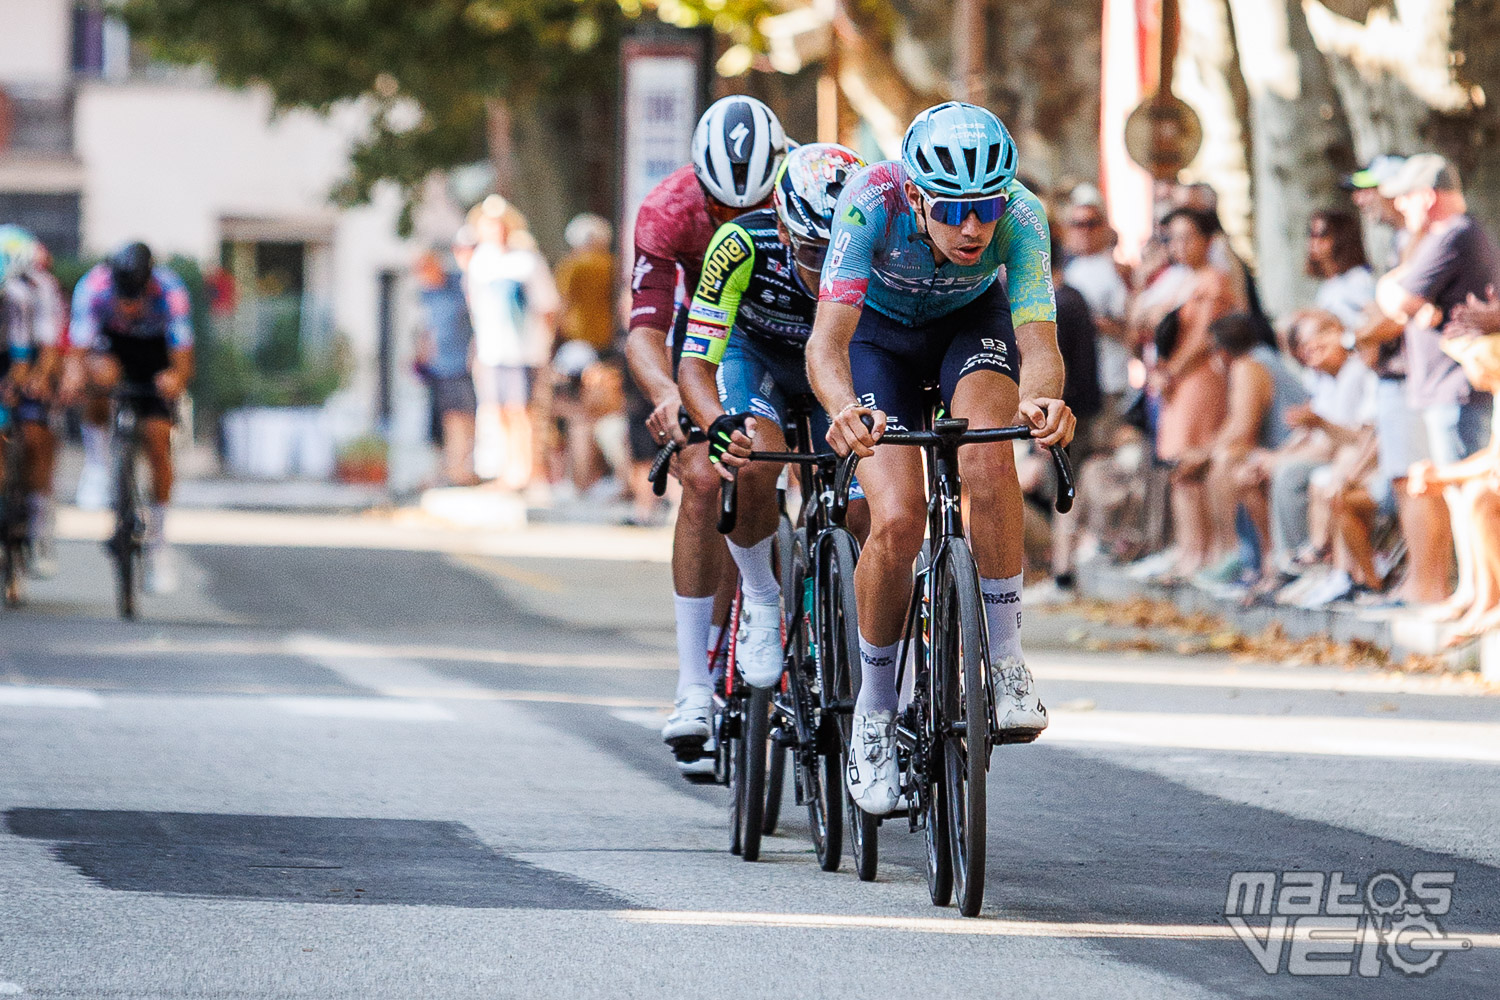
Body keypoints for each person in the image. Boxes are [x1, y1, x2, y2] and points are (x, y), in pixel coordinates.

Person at [807, 102, 1074, 814]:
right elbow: (827, 343)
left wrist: (1042, 401)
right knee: (895, 519)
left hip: (968, 327)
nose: (972, 228)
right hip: (876, 340)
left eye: (984, 207)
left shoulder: (1020, 216)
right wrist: (842, 410)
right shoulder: (870, 203)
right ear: (917, 195)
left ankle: (1008, 660)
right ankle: (873, 712)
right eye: (953, 209)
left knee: (989, 457)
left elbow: (1039, 343)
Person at [621, 95, 788, 770]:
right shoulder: (668, 210)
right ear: (699, 187)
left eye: (753, 207)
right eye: (722, 210)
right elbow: (646, 331)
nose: (736, 224)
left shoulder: (811, 187)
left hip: (794, 332)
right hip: (709, 346)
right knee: (701, 475)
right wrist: (665, 394)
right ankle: (695, 685)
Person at [676, 143, 867, 696]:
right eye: (812, 251)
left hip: (839, 365)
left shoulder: (878, 242)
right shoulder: (739, 244)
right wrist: (716, 423)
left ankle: (848, 620)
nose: (826, 270)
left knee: (861, 505)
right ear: (783, 230)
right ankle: (760, 597)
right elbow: (694, 364)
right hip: (756, 360)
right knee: (753, 458)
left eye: (840, 255)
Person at [1375, 154, 1500, 617]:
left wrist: (1397, 289)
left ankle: (1480, 593)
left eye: (1406, 199)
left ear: (1426, 196)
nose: (1401, 210)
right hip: (1445, 381)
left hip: (1457, 382)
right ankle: (1471, 590)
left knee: (1468, 489)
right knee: (1458, 493)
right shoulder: (1449, 235)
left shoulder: (1454, 233)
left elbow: (1402, 300)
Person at [71, 242, 194, 593]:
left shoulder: (171, 291)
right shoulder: (94, 287)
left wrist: (175, 379)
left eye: (135, 295)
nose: (128, 304)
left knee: (158, 439)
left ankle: (159, 542)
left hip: (156, 356)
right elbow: (79, 349)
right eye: (123, 295)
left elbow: (184, 358)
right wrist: (75, 378)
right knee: (98, 379)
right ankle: (97, 464)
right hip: (113, 350)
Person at [1175, 313, 1310, 587]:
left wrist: (1205, 454)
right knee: (1198, 467)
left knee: (1226, 463)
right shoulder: (1257, 359)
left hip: (1292, 449)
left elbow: (1242, 428)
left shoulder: (1248, 365)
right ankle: (1202, 552)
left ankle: (1242, 554)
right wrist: (1202, 452)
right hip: (1285, 448)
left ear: (1222, 351)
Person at [1153, 207, 1237, 580]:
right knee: (1178, 468)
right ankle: (1189, 548)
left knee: (1192, 462)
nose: (1181, 246)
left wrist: (1171, 371)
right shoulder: (1180, 281)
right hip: (1177, 380)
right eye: (1174, 238)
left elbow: (1205, 337)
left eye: (1189, 237)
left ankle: (1207, 550)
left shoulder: (1213, 281)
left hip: (1199, 378)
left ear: (1207, 241)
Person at [466, 195, 559, 491]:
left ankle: (527, 471)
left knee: (524, 412)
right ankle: (508, 470)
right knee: (498, 411)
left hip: (525, 352)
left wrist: (543, 346)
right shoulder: (479, 264)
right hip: (493, 351)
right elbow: (476, 311)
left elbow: (547, 308)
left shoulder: (527, 262)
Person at [0, 226, 65, 576]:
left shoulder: (30, 293)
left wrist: (30, 379)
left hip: (31, 355)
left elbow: (32, 354)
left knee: (36, 435)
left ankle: (40, 524)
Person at [1062, 188, 1130, 441]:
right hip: (1074, 382)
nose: (1085, 230)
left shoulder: (1116, 270)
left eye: (1092, 223)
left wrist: (1089, 323)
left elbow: (1129, 327)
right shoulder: (1066, 269)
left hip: (1107, 378)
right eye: (1078, 224)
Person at [413, 247, 478, 487]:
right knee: (443, 422)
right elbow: (426, 329)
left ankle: (462, 469)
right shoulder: (426, 295)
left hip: (461, 364)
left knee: (462, 417)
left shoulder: (458, 287)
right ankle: (451, 469)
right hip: (438, 368)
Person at [554, 214, 616, 352]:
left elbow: (564, 300)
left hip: (577, 334)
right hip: (607, 332)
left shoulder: (571, 264)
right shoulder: (612, 264)